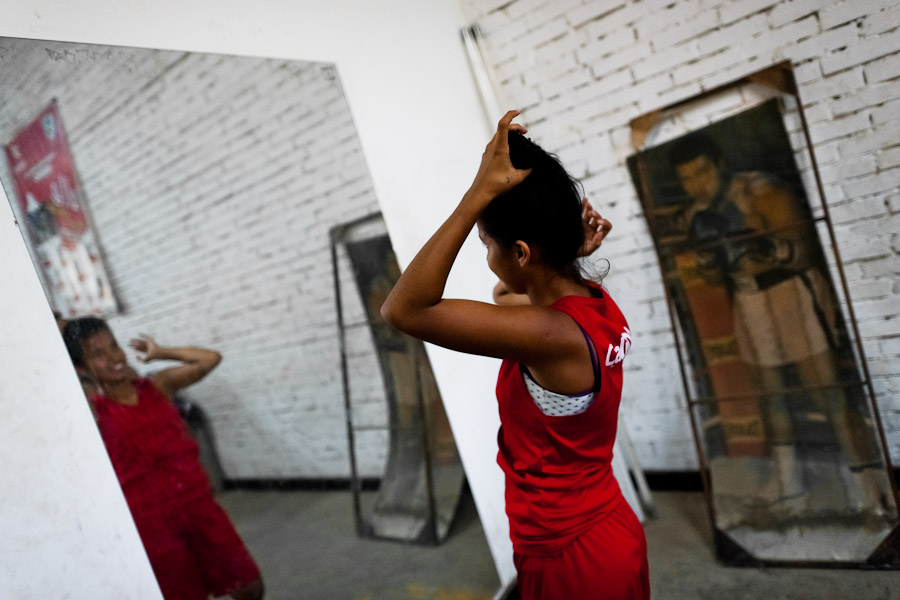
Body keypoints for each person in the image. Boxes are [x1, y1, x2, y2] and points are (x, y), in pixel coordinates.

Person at [381, 111, 648, 599]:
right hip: (605, 526)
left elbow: (404, 309)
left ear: (523, 253)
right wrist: (564, 254)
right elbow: (508, 298)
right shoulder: (592, 304)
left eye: (486, 243)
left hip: (574, 555)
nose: (488, 258)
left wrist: (477, 196)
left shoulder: (548, 334)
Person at [669, 132, 886, 513]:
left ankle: (869, 492)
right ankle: (790, 485)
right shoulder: (694, 216)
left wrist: (767, 252)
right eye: (686, 178)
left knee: (826, 392)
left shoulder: (761, 192)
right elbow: (717, 278)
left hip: (790, 292)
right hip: (747, 297)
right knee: (771, 396)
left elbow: (803, 250)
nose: (696, 185)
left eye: (702, 173)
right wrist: (709, 266)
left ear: (719, 163)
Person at [63, 317, 264, 600]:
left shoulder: (158, 387)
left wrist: (161, 352)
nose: (113, 357)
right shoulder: (93, 412)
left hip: (200, 507)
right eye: (98, 354)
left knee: (250, 588)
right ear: (82, 367)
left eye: (114, 346)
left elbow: (209, 359)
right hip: (152, 525)